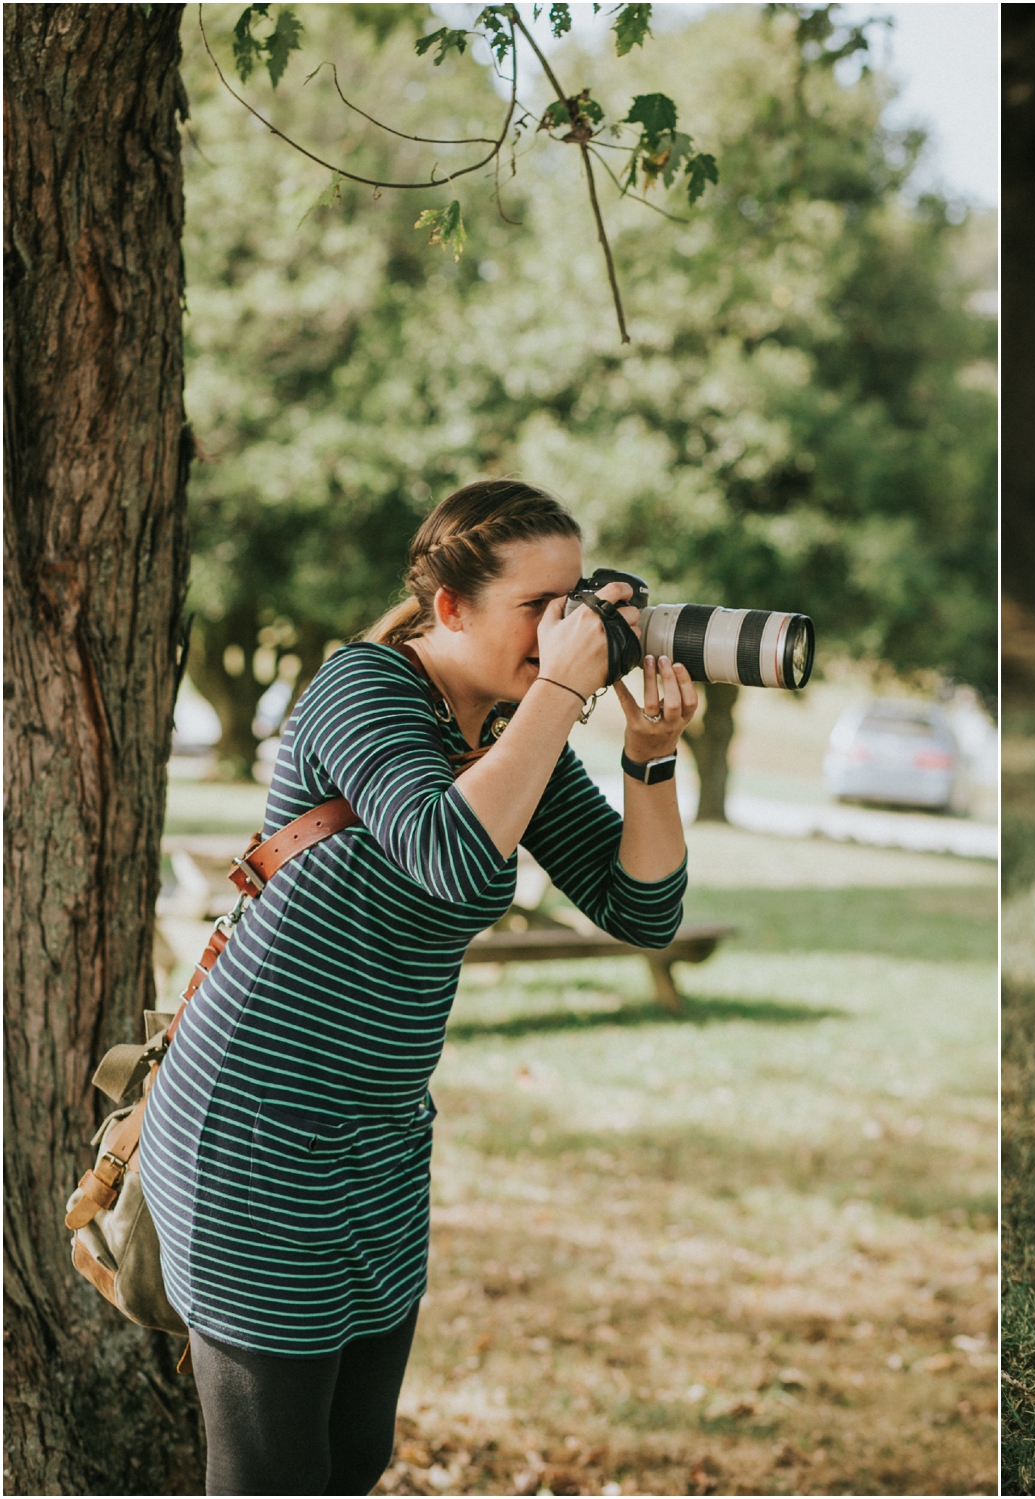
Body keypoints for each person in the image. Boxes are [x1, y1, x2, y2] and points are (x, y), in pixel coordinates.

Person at [141, 479, 700, 1492]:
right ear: (450, 605)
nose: (566, 628)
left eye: (576, 601)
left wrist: (649, 758)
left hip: (382, 1142)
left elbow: (640, 910)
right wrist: (560, 695)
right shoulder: (363, 688)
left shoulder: (505, 730)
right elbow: (448, 846)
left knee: (352, 1457)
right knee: (271, 1470)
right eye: (541, 607)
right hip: (255, 1130)